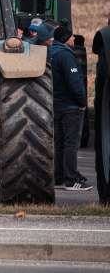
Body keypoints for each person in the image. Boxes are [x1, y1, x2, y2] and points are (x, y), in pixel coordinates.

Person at [48, 26, 92, 191]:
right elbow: (74, 82)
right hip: (70, 107)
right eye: (72, 37)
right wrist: (82, 102)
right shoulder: (66, 55)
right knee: (71, 144)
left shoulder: (50, 53)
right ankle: (71, 179)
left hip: (56, 105)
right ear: (66, 38)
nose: (74, 39)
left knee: (59, 143)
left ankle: (58, 176)